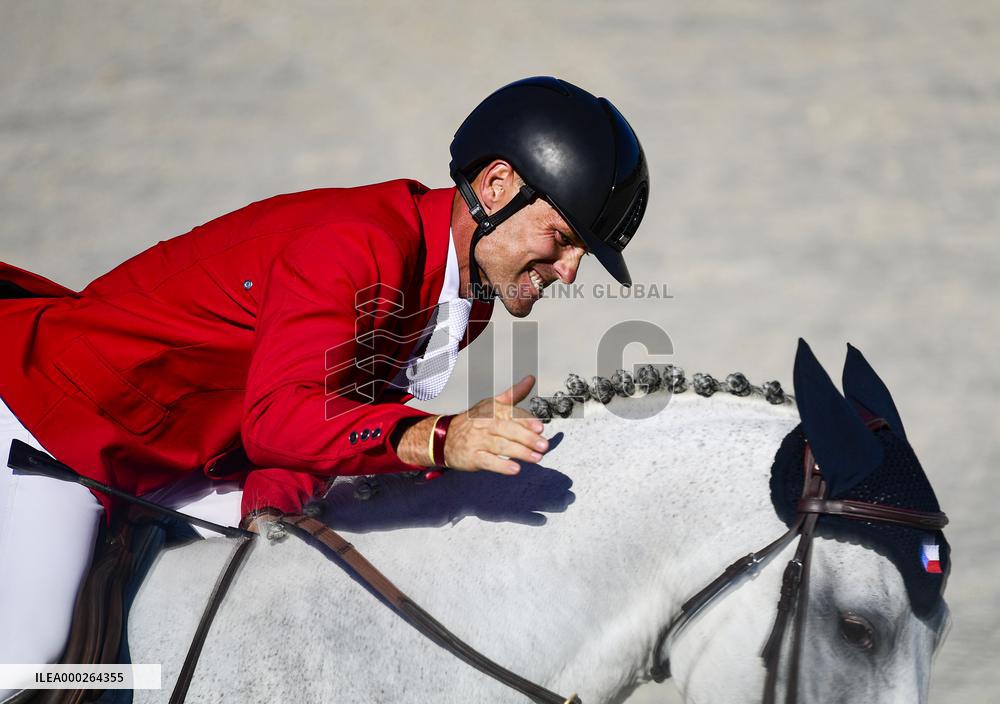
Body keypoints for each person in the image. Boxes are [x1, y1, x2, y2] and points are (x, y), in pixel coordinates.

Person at [0, 75, 648, 692]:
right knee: (31, 662)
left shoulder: (465, 301)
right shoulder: (354, 244)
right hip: (53, 426)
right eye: (563, 238)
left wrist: (272, 510)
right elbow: (281, 421)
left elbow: (330, 424)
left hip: (175, 462)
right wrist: (437, 438)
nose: (569, 272)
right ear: (498, 185)